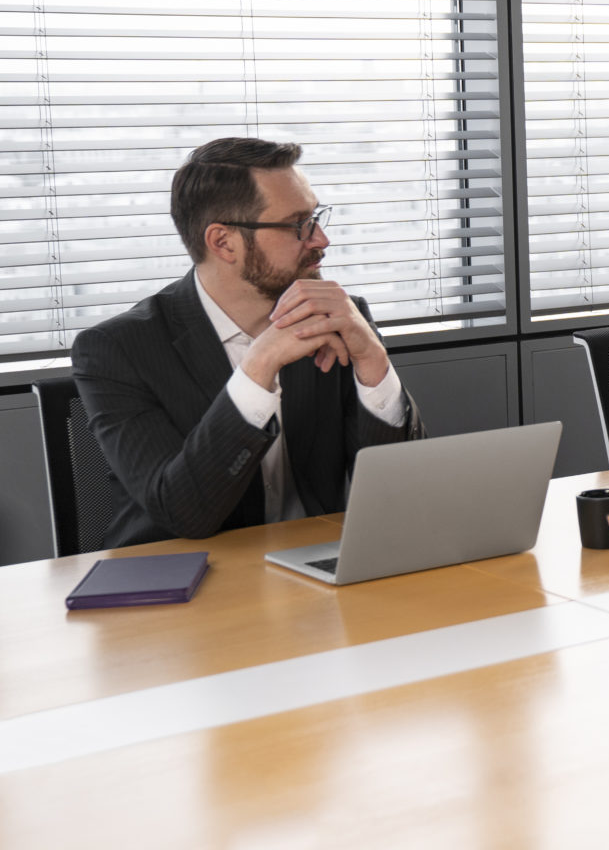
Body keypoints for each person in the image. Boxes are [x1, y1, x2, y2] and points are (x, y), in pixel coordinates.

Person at [71, 138, 423, 548]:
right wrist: (258, 367)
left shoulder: (339, 318)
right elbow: (182, 513)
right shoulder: (118, 350)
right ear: (223, 243)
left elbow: (403, 495)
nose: (321, 239)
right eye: (299, 224)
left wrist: (374, 362)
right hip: (184, 585)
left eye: (316, 217)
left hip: (314, 570)